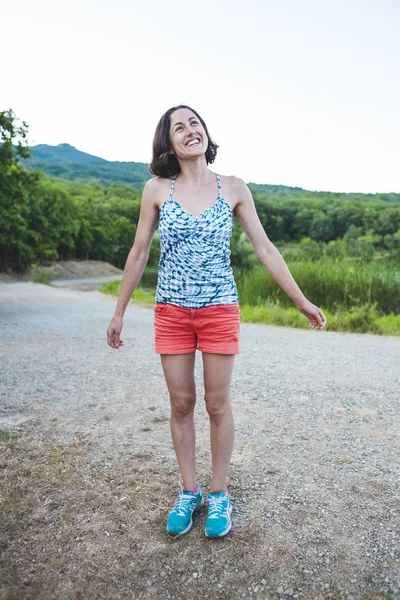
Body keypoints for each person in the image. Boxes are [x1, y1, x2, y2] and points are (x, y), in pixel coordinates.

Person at [106, 104, 327, 538]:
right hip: (171, 310)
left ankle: (219, 493)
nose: (191, 130)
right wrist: (118, 313)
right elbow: (139, 253)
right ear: (168, 143)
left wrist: (300, 300)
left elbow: (265, 248)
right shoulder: (155, 189)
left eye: (195, 123)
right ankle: (189, 492)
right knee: (182, 403)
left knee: (216, 404)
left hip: (219, 309)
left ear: (206, 133)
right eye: (179, 127)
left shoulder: (234, 187)